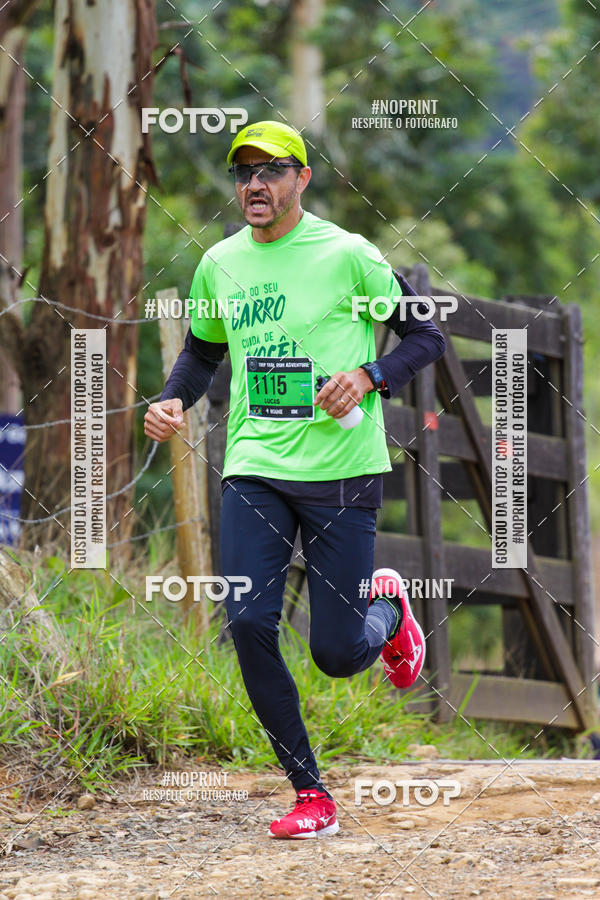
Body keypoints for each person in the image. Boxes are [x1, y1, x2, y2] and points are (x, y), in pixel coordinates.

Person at [144, 121, 446, 840]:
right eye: (243, 172)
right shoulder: (219, 263)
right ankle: (311, 793)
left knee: (338, 655)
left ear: (302, 179)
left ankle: (390, 615)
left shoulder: (347, 255)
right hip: (255, 465)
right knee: (247, 621)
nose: (254, 184)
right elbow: (201, 356)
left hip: (342, 470)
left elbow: (426, 335)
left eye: (271, 170)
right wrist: (169, 398)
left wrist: (369, 376)